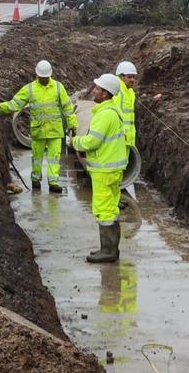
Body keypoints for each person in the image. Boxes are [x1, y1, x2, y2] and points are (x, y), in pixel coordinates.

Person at [0, 60, 76, 192]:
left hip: (55, 130)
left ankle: (53, 182)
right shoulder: (30, 89)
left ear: (49, 76)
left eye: (46, 77)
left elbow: (67, 107)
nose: (44, 79)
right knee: (37, 159)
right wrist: (0, 108)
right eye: (42, 77)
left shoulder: (58, 87)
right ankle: (36, 180)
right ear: (37, 75)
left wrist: (72, 123)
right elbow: (15, 104)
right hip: (38, 131)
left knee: (54, 158)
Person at [72, 73, 127, 263]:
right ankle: (110, 249)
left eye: (97, 88)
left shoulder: (105, 115)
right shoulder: (109, 111)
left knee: (104, 210)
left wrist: (75, 141)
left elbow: (93, 141)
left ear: (105, 94)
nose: (94, 91)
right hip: (111, 169)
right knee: (111, 208)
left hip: (105, 171)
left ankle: (109, 251)